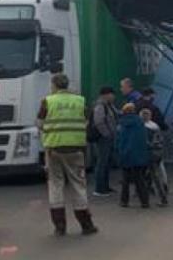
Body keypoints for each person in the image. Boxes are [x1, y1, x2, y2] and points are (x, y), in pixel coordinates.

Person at [37, 73, 98, 236]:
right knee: (78, 185)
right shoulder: (80, 101)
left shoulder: (47, 102)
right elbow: (86, 121)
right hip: (76, 149)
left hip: (54, 149)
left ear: (54, 85)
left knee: (55, 185)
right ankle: (86, 224)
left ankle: (60, 226)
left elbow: (40, 123)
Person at [115, 103, 152, 208]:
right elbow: (144, 139)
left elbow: (117, 140)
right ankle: (144, 201)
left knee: (125, 179)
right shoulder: (140, 122)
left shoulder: (121, 124)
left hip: (125, 154)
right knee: (139, 179)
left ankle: (124, 201)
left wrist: (118, 152)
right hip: (138, 154)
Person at [91, 86, 119, 196]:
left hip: (109, 138)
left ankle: (106, 187)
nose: (114, 97)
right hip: (103, 139)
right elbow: (99, 122)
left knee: (107, 163)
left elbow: (117, 114)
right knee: (102, 162)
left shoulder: (109, 105)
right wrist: (107, 134)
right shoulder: (100, 106)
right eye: (112, 94)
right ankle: (99, 188)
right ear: (106, 94)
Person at [140, 108, 169, 207]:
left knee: (148, 175)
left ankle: (158, 197)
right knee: (154, 175)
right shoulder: (155, 126)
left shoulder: (143, 128)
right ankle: (160, 194)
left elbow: (145, 143)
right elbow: (159, 141)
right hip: (157, 154)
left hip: (148, 154)